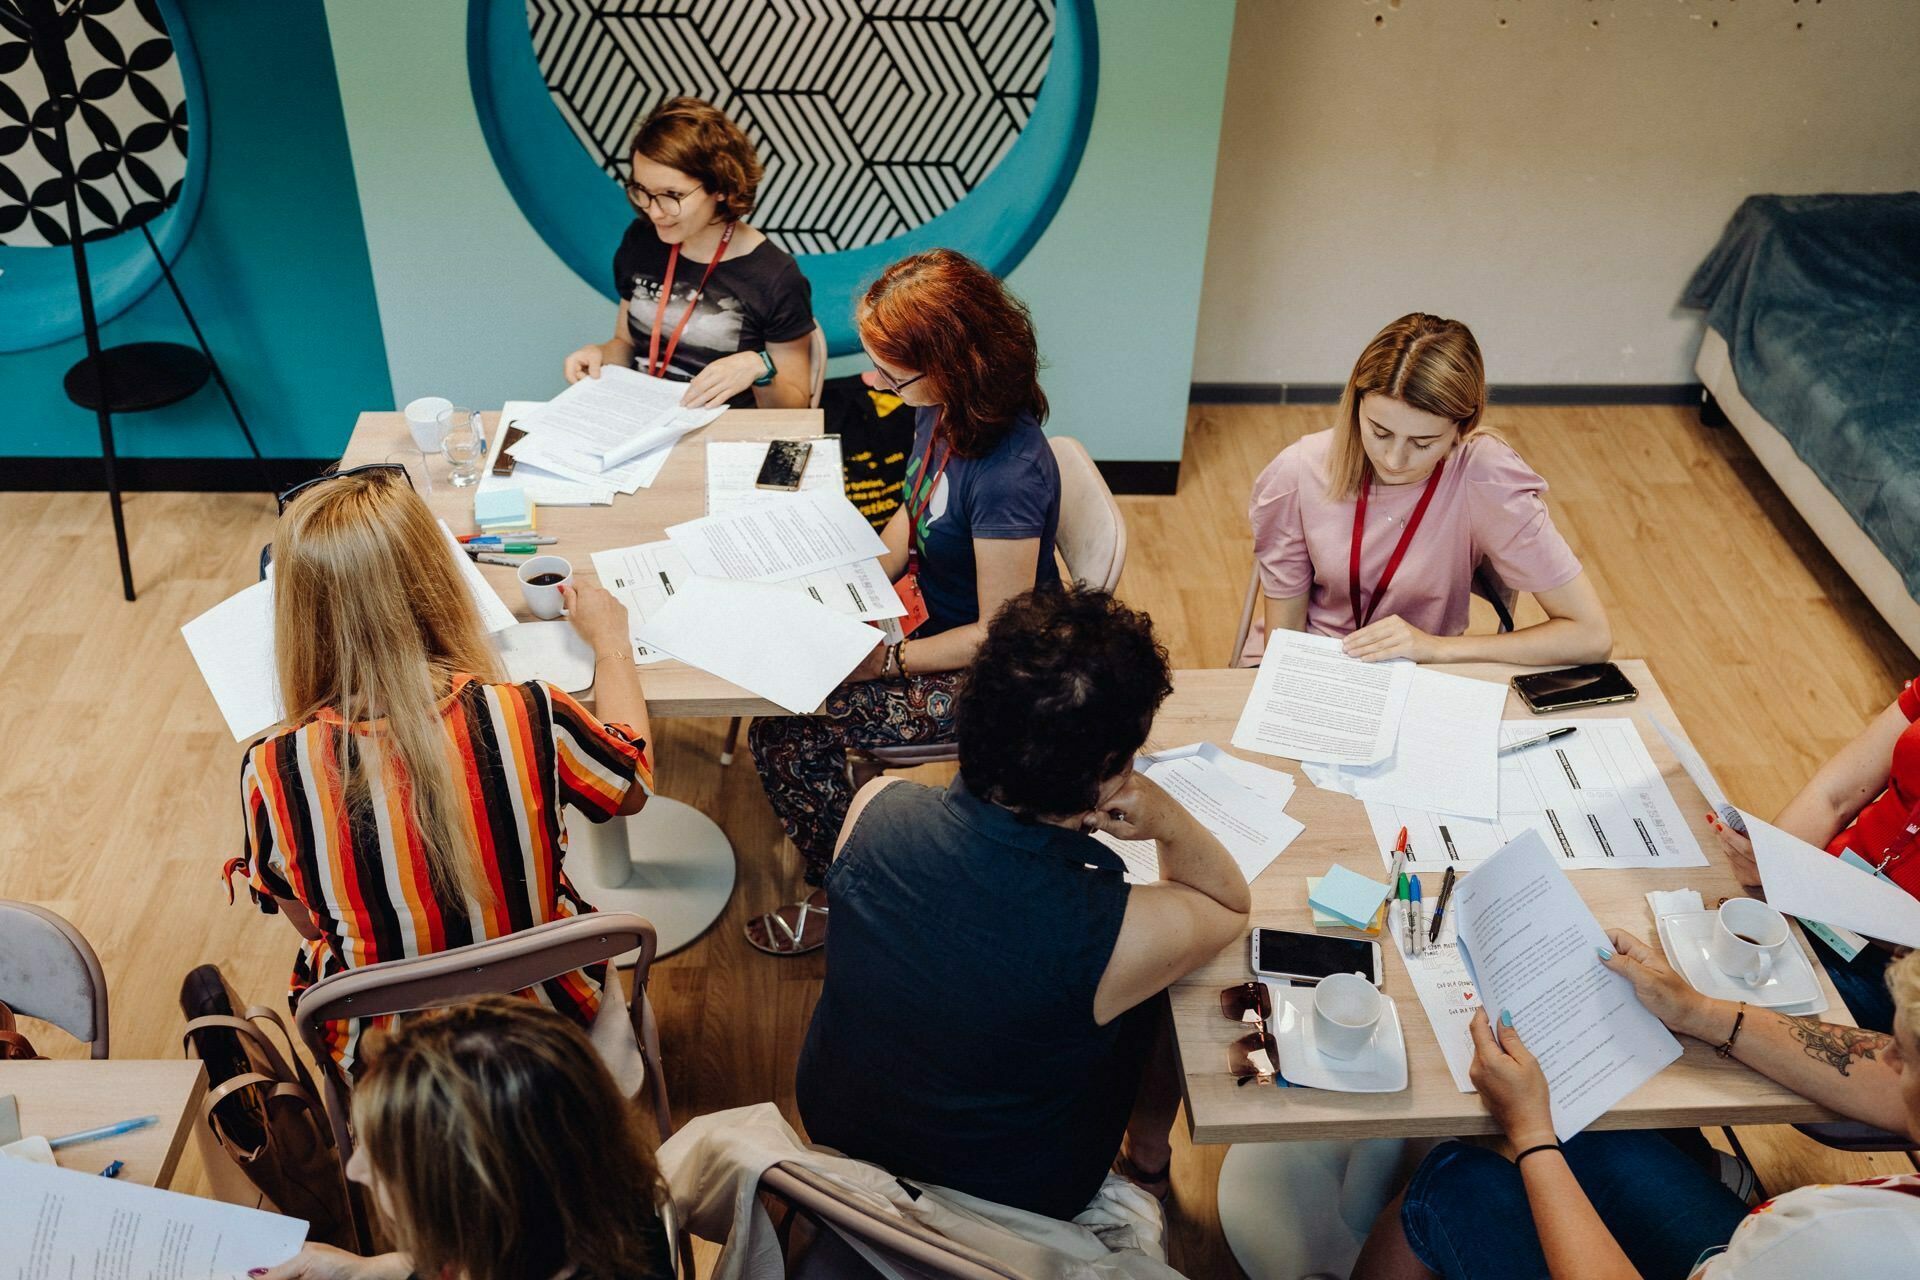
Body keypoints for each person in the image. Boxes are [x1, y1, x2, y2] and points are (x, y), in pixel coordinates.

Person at [795, 586, 1252, 1228]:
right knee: (1156, 996)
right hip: (1012, 1192)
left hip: (837, 1128)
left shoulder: (875, 808)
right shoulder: (1111, 930)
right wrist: (1170, 821)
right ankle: (1146, 1159)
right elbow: (1226, 904)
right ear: (1107, 772)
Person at [227, 466, 652, 1074]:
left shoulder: (271, 770)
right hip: (552, 1022)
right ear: (438, 580)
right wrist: (612, 643)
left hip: (390, 1062)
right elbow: (631, 788)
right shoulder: (528, 712)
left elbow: (307, 918)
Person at [745, 249, 1062, 954]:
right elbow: (908, 520)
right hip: (928, 622)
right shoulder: (942, 410)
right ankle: (848, 845)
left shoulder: (1009, 473)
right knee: (779, 665)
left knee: (783, 730)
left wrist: (885, 657)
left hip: (999, 676)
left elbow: (998, 633)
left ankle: (847, 890)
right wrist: (840, 577)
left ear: (952, 365)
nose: (870, 379)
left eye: (890, 369)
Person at [1351, 936, 1920, 1280]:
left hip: (1769, 1257)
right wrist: (1698, 1011)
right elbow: (1874, 1075)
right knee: (1598, 1124)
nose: (1887, 1055)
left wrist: (1531, 1134)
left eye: (1908, 1055)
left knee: (1452, 1182)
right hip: (1750, 1254)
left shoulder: (1856, 1248)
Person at [1246, 313, 1611, 665]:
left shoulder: (1485, 478)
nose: (1393, 459)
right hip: (1313, 664)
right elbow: (1285, 643)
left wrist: (1437, 649)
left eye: (1423, 442)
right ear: (1355, 405)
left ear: (1462, 428)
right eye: (1379, 431)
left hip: (1421, 673)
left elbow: (1590, 636)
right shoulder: (1298, 471)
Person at [258, 996, 672, 1280]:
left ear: (468, 1194)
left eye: (384, 1155)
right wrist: (363, 1270)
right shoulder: (603, 1211)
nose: (355, 1167)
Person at [563, 96, 814, 409]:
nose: (655, 212)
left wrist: (759, 368)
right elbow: (626, 343)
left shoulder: (775, 277)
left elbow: (794, 410)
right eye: (643, 190)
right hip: (643, 422)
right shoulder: (641, 241)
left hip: (724, 438)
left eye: (673, 195)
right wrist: (600, 355)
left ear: (721, 187)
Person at [1709, 676, 1920, 1033]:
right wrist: (1771, 860)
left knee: (1733, 1021)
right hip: (1813, 891)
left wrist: (1824, 892)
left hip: (1898, 971)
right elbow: (1836, 793)